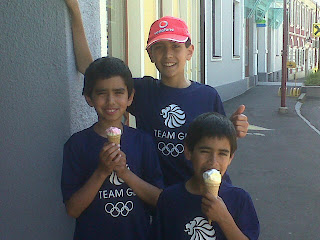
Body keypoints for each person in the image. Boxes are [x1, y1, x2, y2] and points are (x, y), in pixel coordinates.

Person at [64, 0, 249, 187]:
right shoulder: (143, 91)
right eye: (159, 47)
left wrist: (231, 130)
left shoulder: (208, 96)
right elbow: (90, 70)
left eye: (176, 46)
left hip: (199, 193)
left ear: (189, 51)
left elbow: (219, 144)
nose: (168, 54)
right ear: (150, 54)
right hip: (160, 196)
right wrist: (75, 11)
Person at [61, 56, 163, 240]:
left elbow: (158, 200)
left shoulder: (143, 142)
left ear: (130, 97)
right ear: (89, 98)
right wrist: (101, 171)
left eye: (118, 92)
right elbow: (73, 209)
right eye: (101, 93)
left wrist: (125, 173)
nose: (111, 101)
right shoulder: (77, 145)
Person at [150, 112, 259, 240]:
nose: (213, 162)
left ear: (230, 158)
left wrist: (224, 219)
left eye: (222, 154)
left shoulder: (240, 200)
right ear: (188, 151)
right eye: (205, 152)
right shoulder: (169, 199)